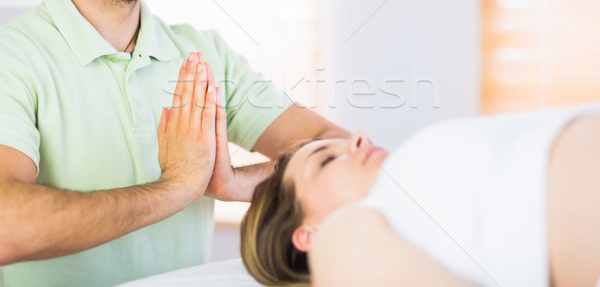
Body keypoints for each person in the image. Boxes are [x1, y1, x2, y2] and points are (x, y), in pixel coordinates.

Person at [0, 0, 347, 286]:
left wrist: (235, 183)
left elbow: (341, 149)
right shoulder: (12, 59)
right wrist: (176, 188)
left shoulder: (202, 53)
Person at [241, 105, 600, 287]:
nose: (358, 138)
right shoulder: (337, 242)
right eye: (328, 159)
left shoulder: (395, 209)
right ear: (308, 234)